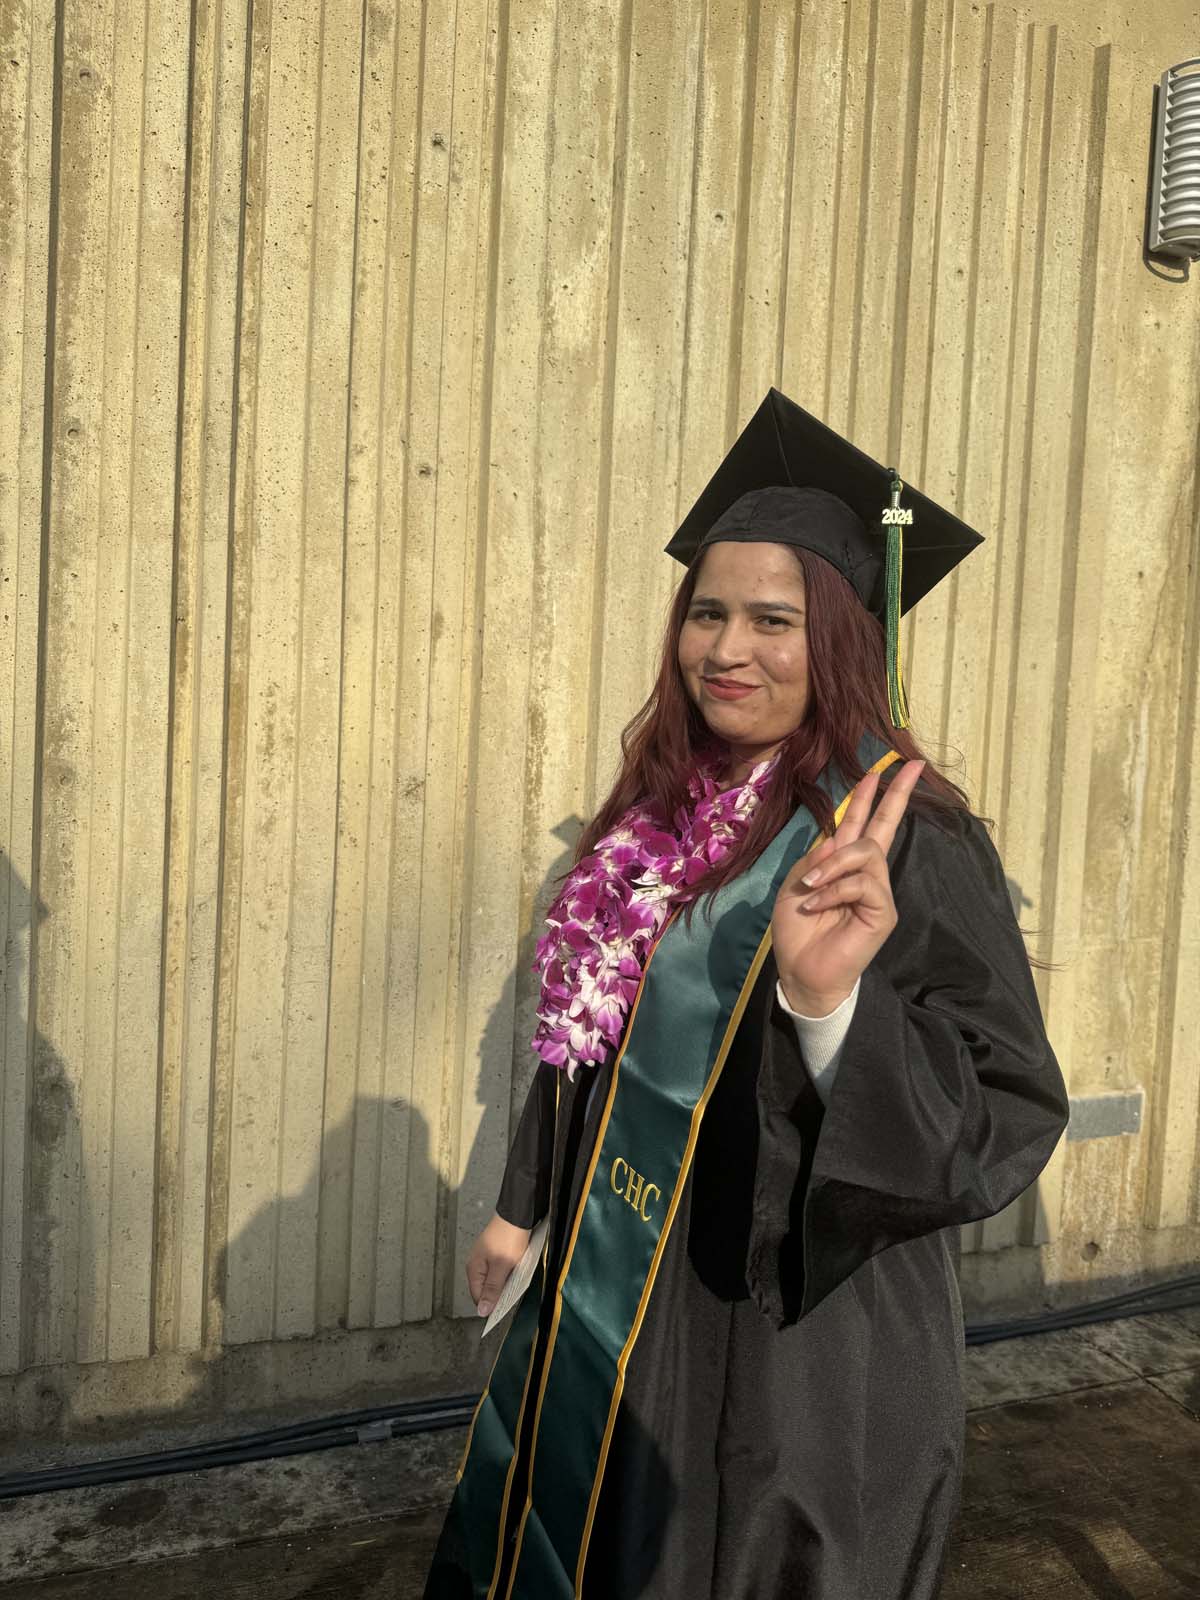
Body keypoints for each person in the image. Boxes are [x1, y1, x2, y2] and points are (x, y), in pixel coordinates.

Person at [423, 389, 1070, 1600]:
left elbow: (1008, 1108)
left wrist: (834, 1012)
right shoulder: (660, 817)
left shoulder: (901, 837)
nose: (727, 649)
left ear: (842, 640)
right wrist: (522, 1207)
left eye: (774, 619)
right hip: (625, 1301)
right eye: (707, 612)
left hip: (797, 1336)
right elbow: (588, 1040)